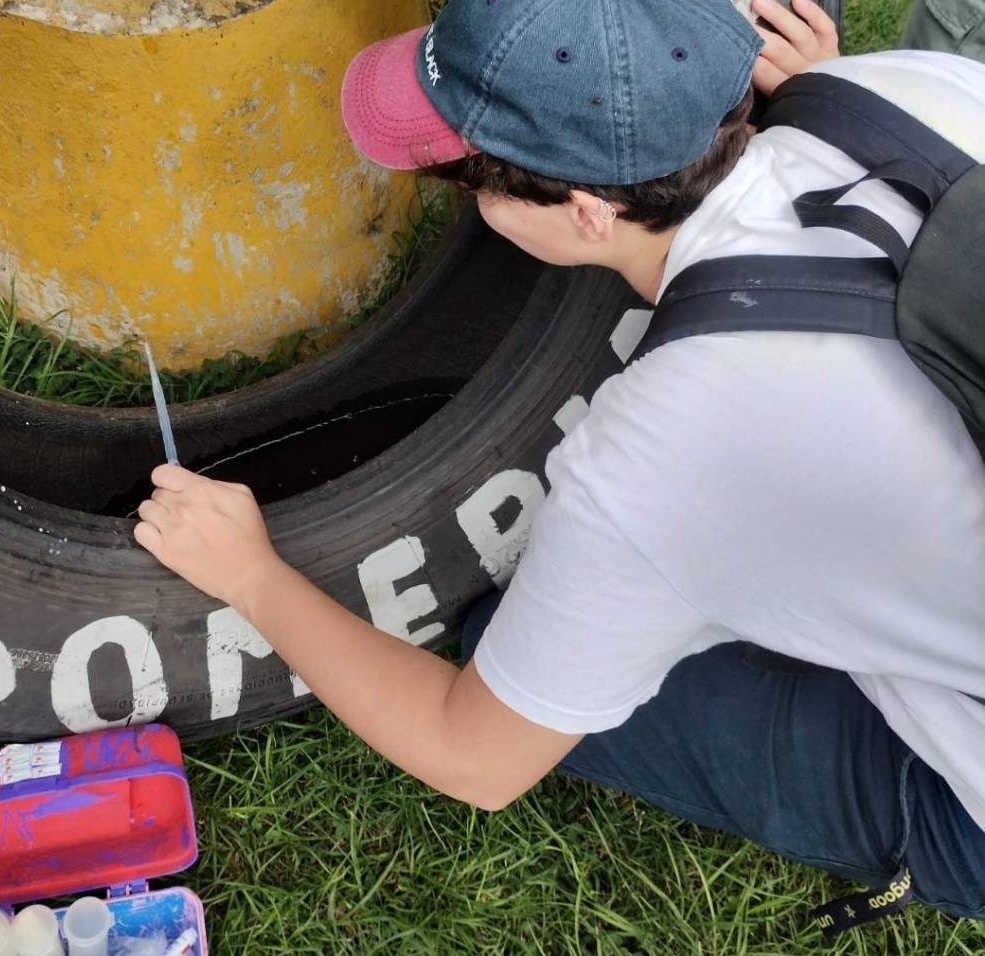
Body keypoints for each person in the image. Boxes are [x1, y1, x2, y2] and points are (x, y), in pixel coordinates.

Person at [134, 0, 985, 924]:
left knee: (510, 644)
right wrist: (820, 88)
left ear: (587, 213)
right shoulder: (898, 88)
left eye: (466, 176)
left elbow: (476, 758)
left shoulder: (663, 456)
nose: (461, 188)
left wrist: (254, 577)